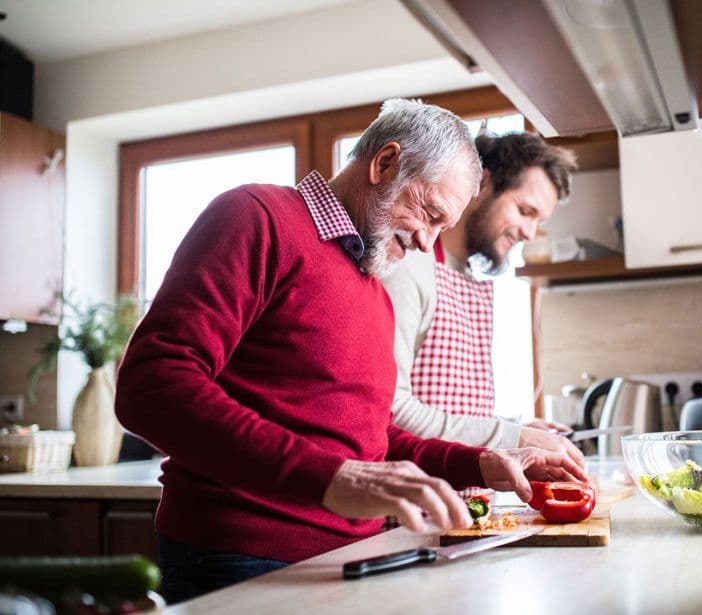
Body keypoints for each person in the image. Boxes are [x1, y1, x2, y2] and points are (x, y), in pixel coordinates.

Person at [114, 99, 585, 603]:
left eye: (442, 227)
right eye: (428, 213)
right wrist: (332, 477)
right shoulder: (257, 216)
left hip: (354, 557)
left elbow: (371, 439)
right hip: (242, 557)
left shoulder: (375, 290)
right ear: (384, 163)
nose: (428, 242)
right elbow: (151, 386)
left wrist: (484, 463)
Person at [383, 132, 580, 457]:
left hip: (465, 499)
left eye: (539, 221)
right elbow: (393, 410)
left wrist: (518, 426)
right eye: (524, 210)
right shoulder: (410, 265)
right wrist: (512, 437)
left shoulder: (466, 277)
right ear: (482, 183)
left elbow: (449, 410)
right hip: (415, 501)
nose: (530, 233)